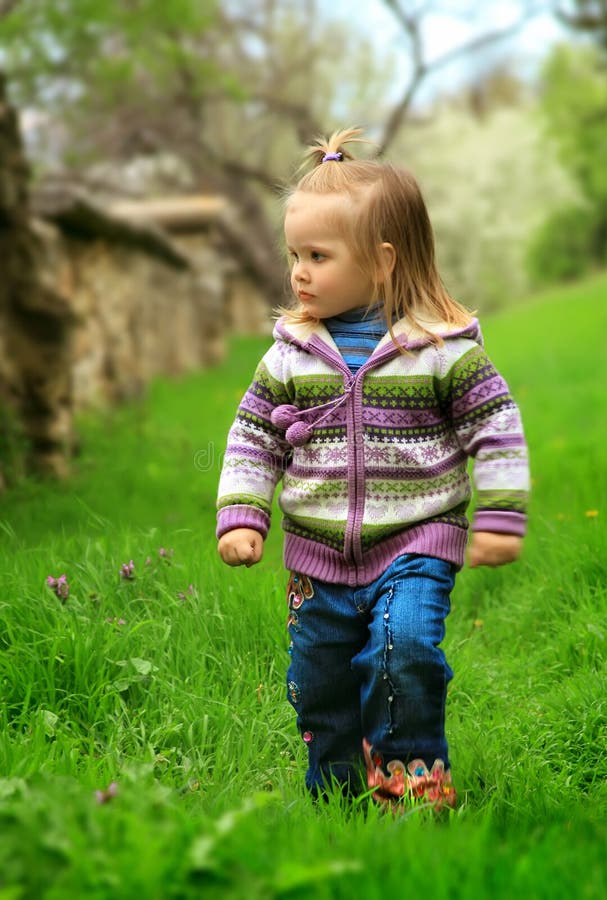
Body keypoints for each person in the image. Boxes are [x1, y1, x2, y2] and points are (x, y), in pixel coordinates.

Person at [216, 127, 529, 809]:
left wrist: (500, 516)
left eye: (317, 255)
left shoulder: (441, 353)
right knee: (318, 682)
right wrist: (243, 514)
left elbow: (495, 428)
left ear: (382, 261)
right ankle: (334, 796)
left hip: (414, 543)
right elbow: (251, 438)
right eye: (293, 254)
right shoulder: (289, 357)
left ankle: (409, 789)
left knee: (402, 650)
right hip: (315, 554)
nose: (298, 271)